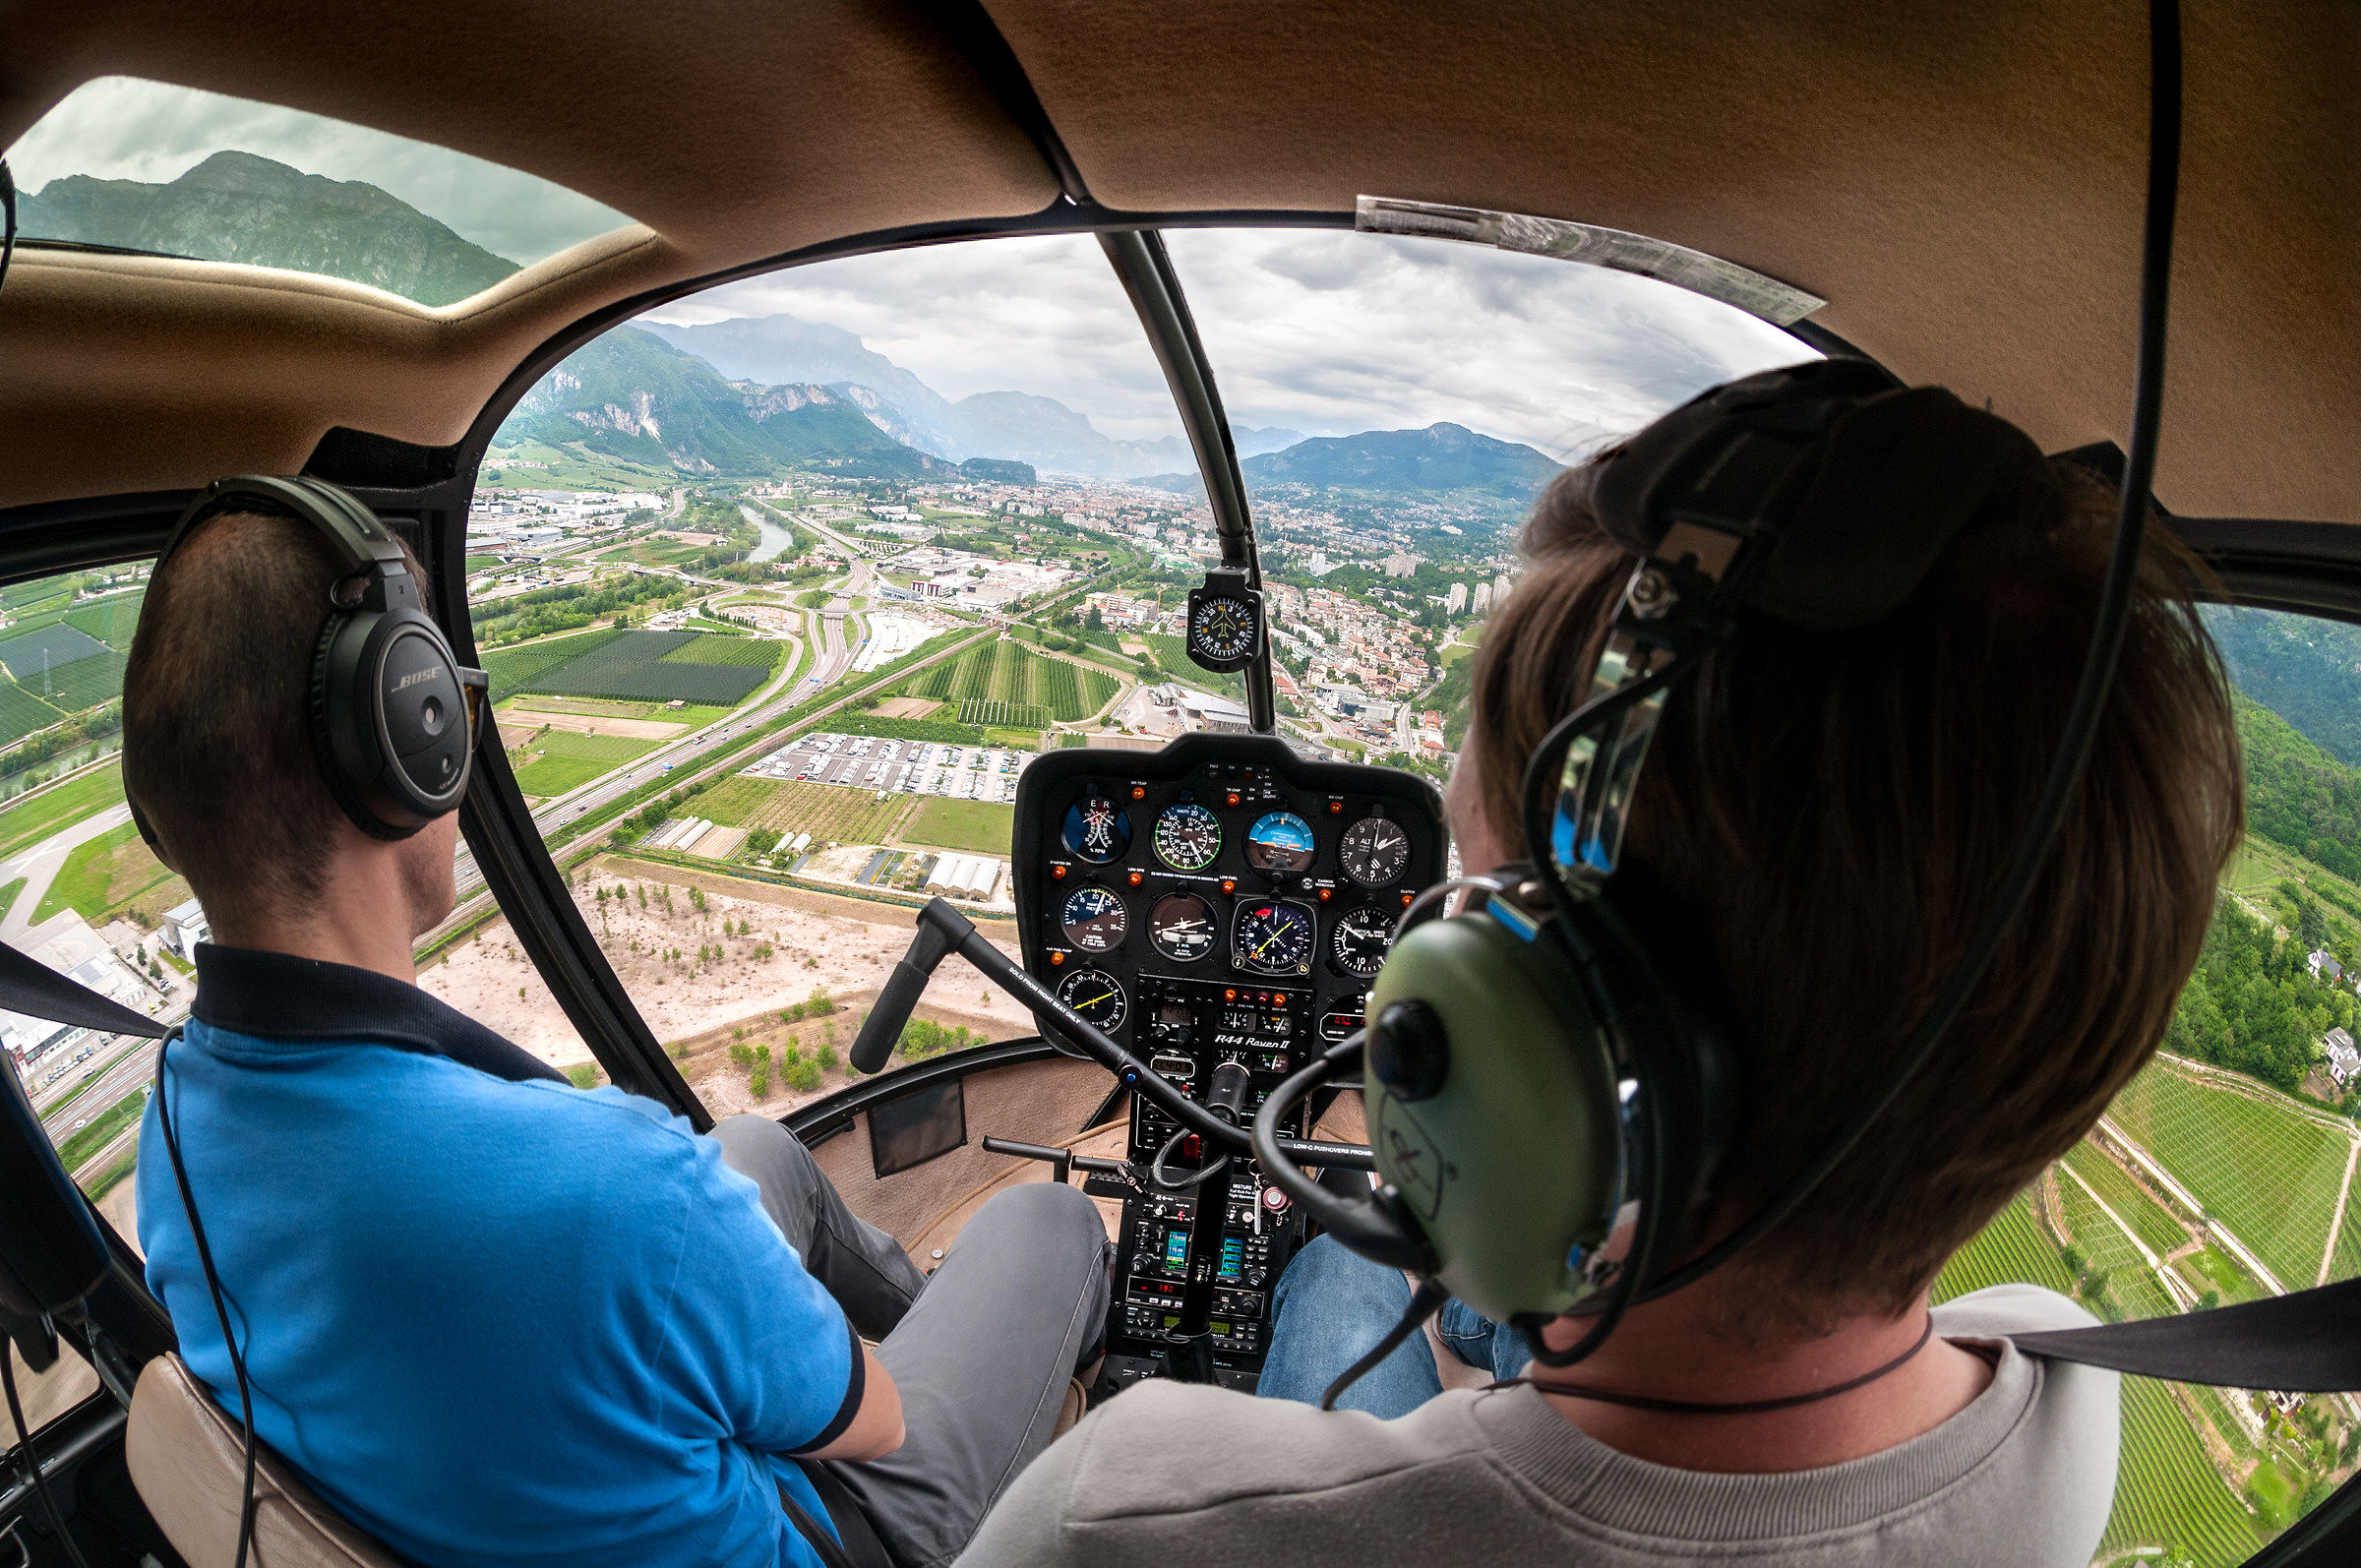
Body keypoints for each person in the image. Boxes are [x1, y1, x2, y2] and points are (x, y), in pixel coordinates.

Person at [959, 387, 2243, 1567]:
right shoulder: (2065, 1389)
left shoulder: (1120, 1518)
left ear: (1562, 1035)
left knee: (1341, 1267)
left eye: (1467, 894)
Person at [123, 499, 1112, 1568]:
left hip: (479, 1490)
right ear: (414, 739)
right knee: (1048, 1224)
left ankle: (891, 1336)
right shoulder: (616, 1187)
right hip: (831, 1537)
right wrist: (786, 1369)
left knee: (764, 1147)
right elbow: (875, 1424)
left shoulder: (173, 1137)